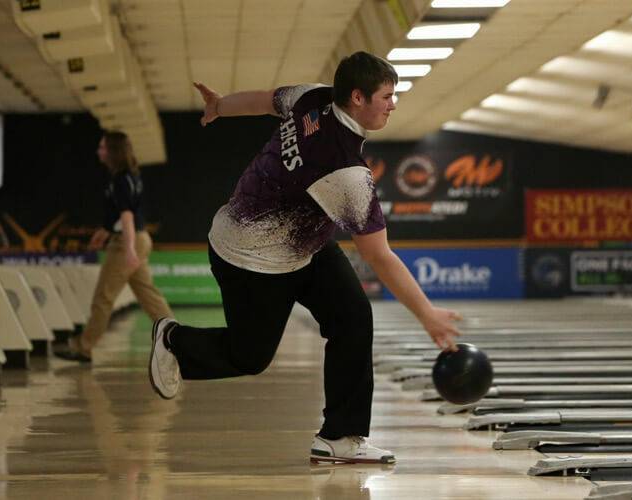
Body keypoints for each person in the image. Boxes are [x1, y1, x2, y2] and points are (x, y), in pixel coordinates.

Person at [147, 52, 461, 465]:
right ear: (357, 97)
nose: (393, 104)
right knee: (249, 357)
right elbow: (379, 256)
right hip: (250, 259)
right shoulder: (346, 173)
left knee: (352, 316)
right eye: (387, 95)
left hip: (303, 247)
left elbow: (262, 100)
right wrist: (427, 314)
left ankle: (340, 436)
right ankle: (174, 340)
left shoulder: (312, 97)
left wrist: (220, 106)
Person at [56, 131, 173, 363]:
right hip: (139, 238)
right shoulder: (128, 175)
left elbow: (127, 215)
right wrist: (104, 232)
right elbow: (119, 215)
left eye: (102, 147)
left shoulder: (121, 179)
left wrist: (128, 248)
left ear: (113, 151)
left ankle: (84, 347)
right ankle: (177, 338)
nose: (99, 151)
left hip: (128, 242)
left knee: (103, 297)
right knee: (148, 295)